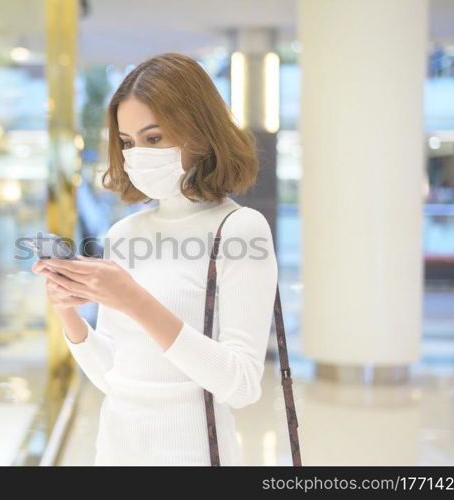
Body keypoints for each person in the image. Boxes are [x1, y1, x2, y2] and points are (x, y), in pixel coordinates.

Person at [32, 52, 278, 466]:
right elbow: (115, 377)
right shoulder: (124, 235)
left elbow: (241, 385)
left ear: (200, 134)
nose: (136, 154)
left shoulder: (239, 230)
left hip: (194, 453)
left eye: (154, 138)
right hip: (115, 450)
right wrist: (69, 312)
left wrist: (133, 300)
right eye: (127, 142)